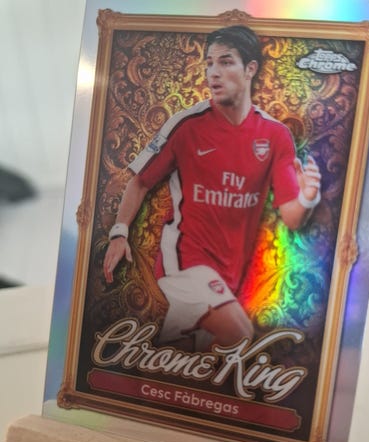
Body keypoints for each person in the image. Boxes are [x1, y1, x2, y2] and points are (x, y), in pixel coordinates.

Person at [103, 25, 321, 349]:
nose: (213, 73)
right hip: (184, 259)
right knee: (239, 332)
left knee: (189, 356)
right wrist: (119, 232)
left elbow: (291, 216)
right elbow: (141, 181)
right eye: (209, 63)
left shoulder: (275, 135)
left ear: (250, 69)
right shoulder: (187, 125)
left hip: (230, 274)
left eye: (225, 62)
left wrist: (307, 197)